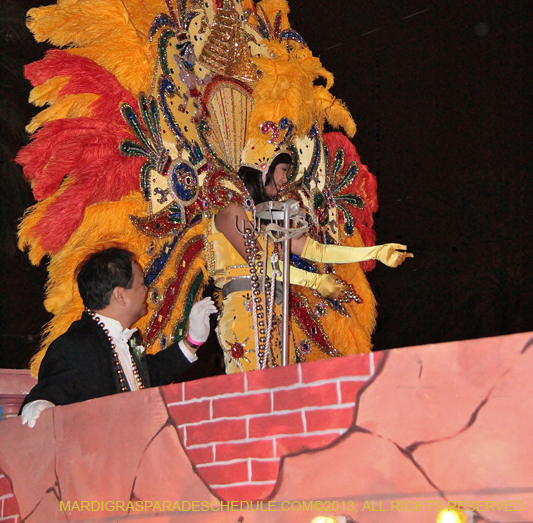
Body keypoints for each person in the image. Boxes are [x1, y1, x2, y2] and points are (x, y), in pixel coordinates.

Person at [206, 153, 412, 372]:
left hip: (276, 316)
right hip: (244, 316)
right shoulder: (230, 212)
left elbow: (316, 250)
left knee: (282, 388)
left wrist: (375, 252)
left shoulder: (263, 223)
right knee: (252, 389)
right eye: (283, 170)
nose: (285, 179)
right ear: (263, 166)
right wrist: (316, 281)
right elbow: (261, 264)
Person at [20, 247, 217, 427]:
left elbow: (153, 372)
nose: (146, 289)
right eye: (141, 283)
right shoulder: (75, 345)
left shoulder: (120, 340)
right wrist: (39, 403)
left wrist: (193, 340)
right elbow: (51, 391)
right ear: (120, 296)